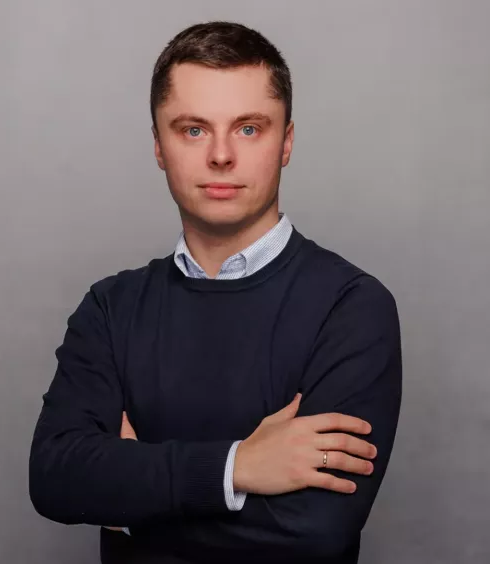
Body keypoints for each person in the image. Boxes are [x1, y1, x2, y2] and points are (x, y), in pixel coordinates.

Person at [29, 21, 402, 564]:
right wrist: (237, 468)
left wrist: (130, 506)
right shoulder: (110, 308)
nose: (222, 155)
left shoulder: (351, 307)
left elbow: (315, 529)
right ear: (159, 146)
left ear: (286, 142)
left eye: (248, 128)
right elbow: (56, 478)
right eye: (193, 130)